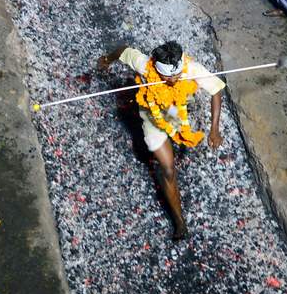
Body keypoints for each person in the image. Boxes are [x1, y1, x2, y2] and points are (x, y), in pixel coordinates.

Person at [97, 41, 226, 239]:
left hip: (176, 110)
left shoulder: (189, 68)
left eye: (177, 74)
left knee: (176, 121)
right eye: (169, 76)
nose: (175, 78)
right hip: (152, 117)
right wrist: (107, 59)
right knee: (167, 169)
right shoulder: (143, 64)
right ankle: (179, 222)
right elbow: (123, 50)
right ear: (156, 67)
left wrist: (214, 129)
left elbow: (216, 90)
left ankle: (176, 131)